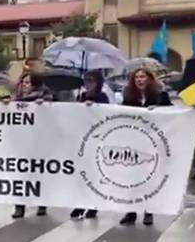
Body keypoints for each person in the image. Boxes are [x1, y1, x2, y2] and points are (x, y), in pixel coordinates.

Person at [118, 68, 171, 226]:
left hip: (153, 142)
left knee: (149, 177)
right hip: (133, 142)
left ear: (149, 79)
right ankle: (131, 211)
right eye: (137, 77)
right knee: (132, 178)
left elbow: (170, 113)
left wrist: (159, 110)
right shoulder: (128, 96)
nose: (140, 80)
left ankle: (149, 211)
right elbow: (120, 113)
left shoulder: (160, 95)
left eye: (143, 77)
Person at [6, 72, 51, 219]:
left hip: (38, 143)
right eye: (23, 82)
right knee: (20, 176)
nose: (25, 85)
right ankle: (20, 207)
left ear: (35, 84)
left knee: (38, 175)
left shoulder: (45, 96)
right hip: (21, 144)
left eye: (28, 82)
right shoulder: (18, 99)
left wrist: (43, 103)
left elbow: (54, 109)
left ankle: (42, 203)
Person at [71, 70, 109, 220]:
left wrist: (94, 106)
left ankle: (93, 206)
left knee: (94, 175)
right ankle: (80, 204)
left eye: (91, 80)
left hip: (97, 140)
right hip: (81, 140)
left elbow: (106, 114)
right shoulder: (80, 96)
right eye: (86, 80)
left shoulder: (102, 97)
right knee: (81, 174)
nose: (88, 84)